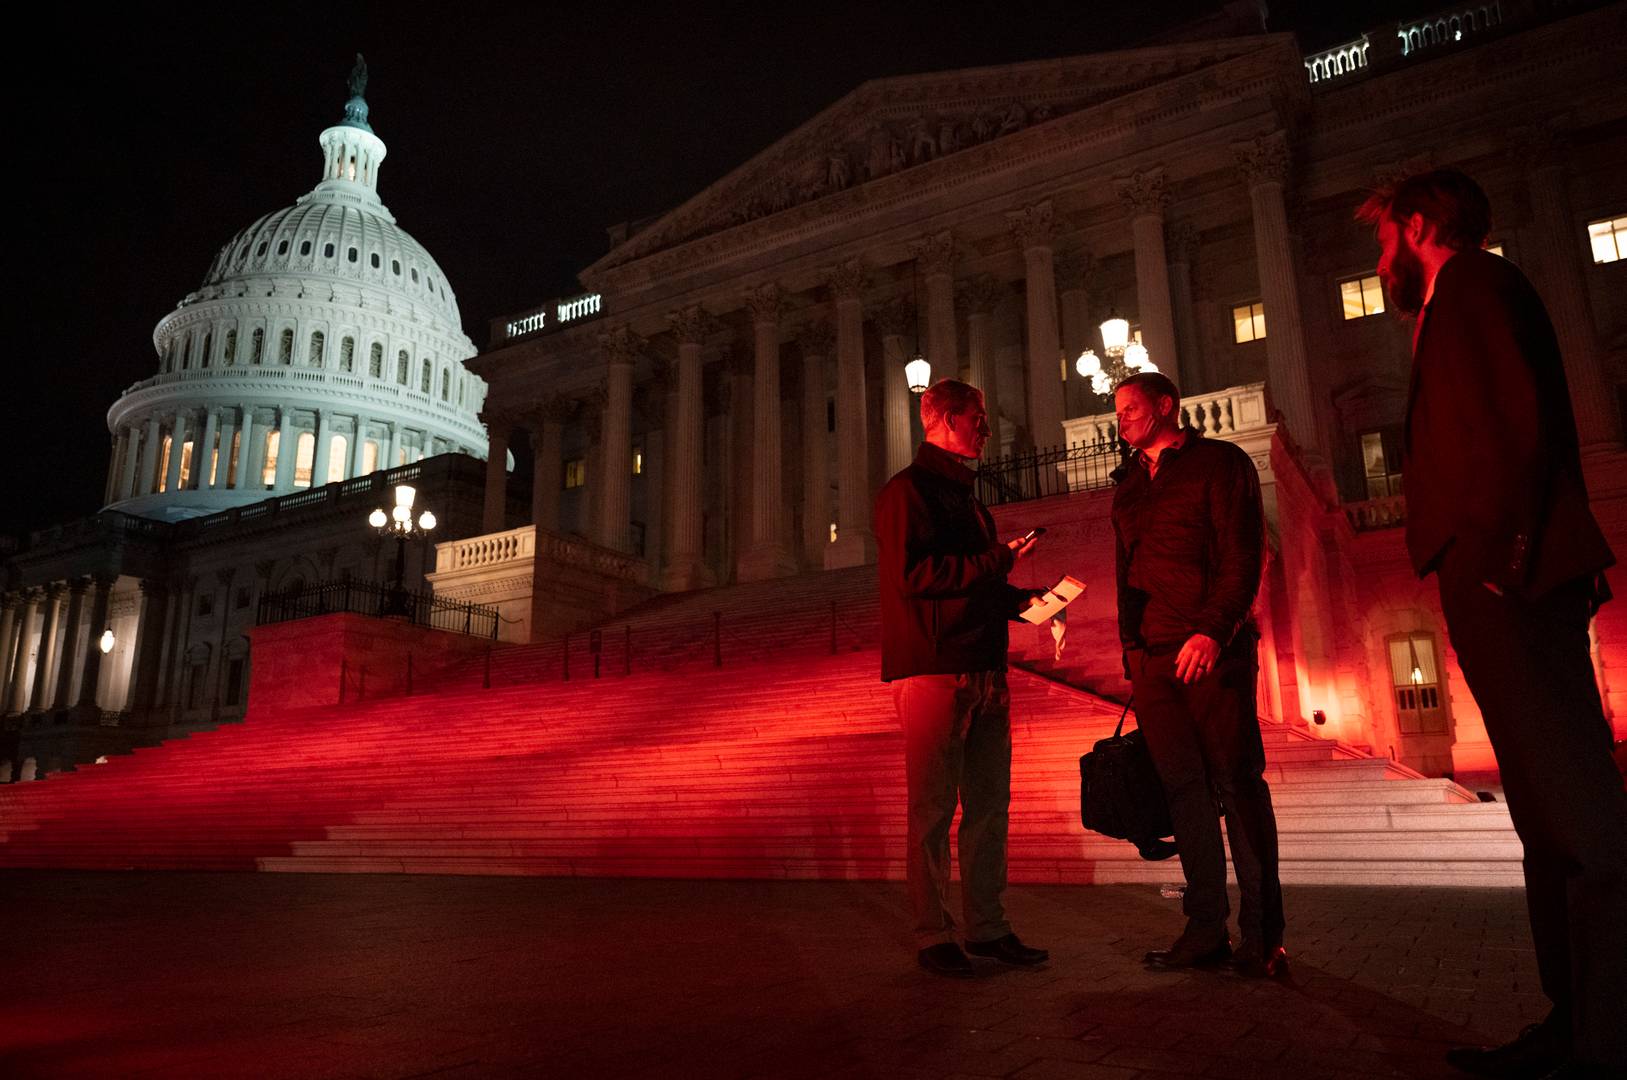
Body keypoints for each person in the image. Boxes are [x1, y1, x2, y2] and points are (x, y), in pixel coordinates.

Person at [1358, 167, 1626, 1079]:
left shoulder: (1475, 285)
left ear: (1421, 224)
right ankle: (1573, 1020)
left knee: (1580, 817)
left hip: (1507, 578)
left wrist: (1504, 566)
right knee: (1546, 814)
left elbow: (1514, 429)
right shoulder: (1454, 298)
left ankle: (1605, 1034)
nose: (1380, 258)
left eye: (1385, 238)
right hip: (1495, 578)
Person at [1109, 370, 1285, 978]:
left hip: (1215, 652)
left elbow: (1243, 552)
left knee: (1238, 786)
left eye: (1131, 408)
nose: (1122, 419)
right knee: (1184, 793)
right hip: (1152, 659)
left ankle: (1263, 936)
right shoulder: (1128, 486)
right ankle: (1204, 929)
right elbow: (1124, 573)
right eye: (1118, 412)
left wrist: (1214, 629)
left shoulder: (1220, 463)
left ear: (1165, 407)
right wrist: (1130, 647)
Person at [875, 378, 1049, 978]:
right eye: (978, 417)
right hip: (933, 665)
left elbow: (975, 582)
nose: (986, 428)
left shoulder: (971, 500)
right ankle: (932, 934)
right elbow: (912, 577)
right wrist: (998, 558)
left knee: (989, 805)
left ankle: (988, 926)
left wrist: (1028, 601)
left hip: (984, 666)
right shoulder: (907, 491)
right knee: (932, 808)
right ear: (947, 419)